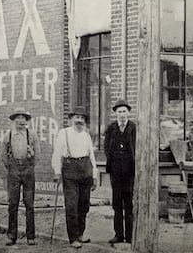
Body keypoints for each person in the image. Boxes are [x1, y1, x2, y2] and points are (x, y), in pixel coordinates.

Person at [52, 105, 98, 249]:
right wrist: (57, 172)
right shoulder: (63, 133)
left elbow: (92, 156)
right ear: (71, 119)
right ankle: (73, 238)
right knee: (72, 205)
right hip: (70, 171)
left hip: (85, 171)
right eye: (77, 117)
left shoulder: (86, 135)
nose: (79, 120)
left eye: (82, 118)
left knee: (84, 205)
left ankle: (80, 234)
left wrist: (94, 176)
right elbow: (57, 154)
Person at [3, 106, 39, 246]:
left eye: (23, 118)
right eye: (18, 118)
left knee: (29, 204)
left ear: (26, 120)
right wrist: (11, 167)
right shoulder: (8, 135)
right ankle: (12, 235)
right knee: (13, 204)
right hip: (13, 170)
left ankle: (31, 236)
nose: (20, 121)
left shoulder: (32, 135)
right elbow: (3, 155)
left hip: (28, 170)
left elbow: (38, 154)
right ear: (13, 120)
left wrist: (30, 165)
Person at [103, 99, 136, 244]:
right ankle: (118, 234)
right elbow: (106, 147)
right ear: (115, 113)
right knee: (117, 203)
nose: (122, 114)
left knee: (128, 203)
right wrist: (113, 160)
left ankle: (130, 235)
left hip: (129, 171)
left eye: (124, 111)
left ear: (128, 112)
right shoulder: (111, 128)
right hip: (115, 170)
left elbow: (137, 147)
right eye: (119, 111)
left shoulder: (134, 127)